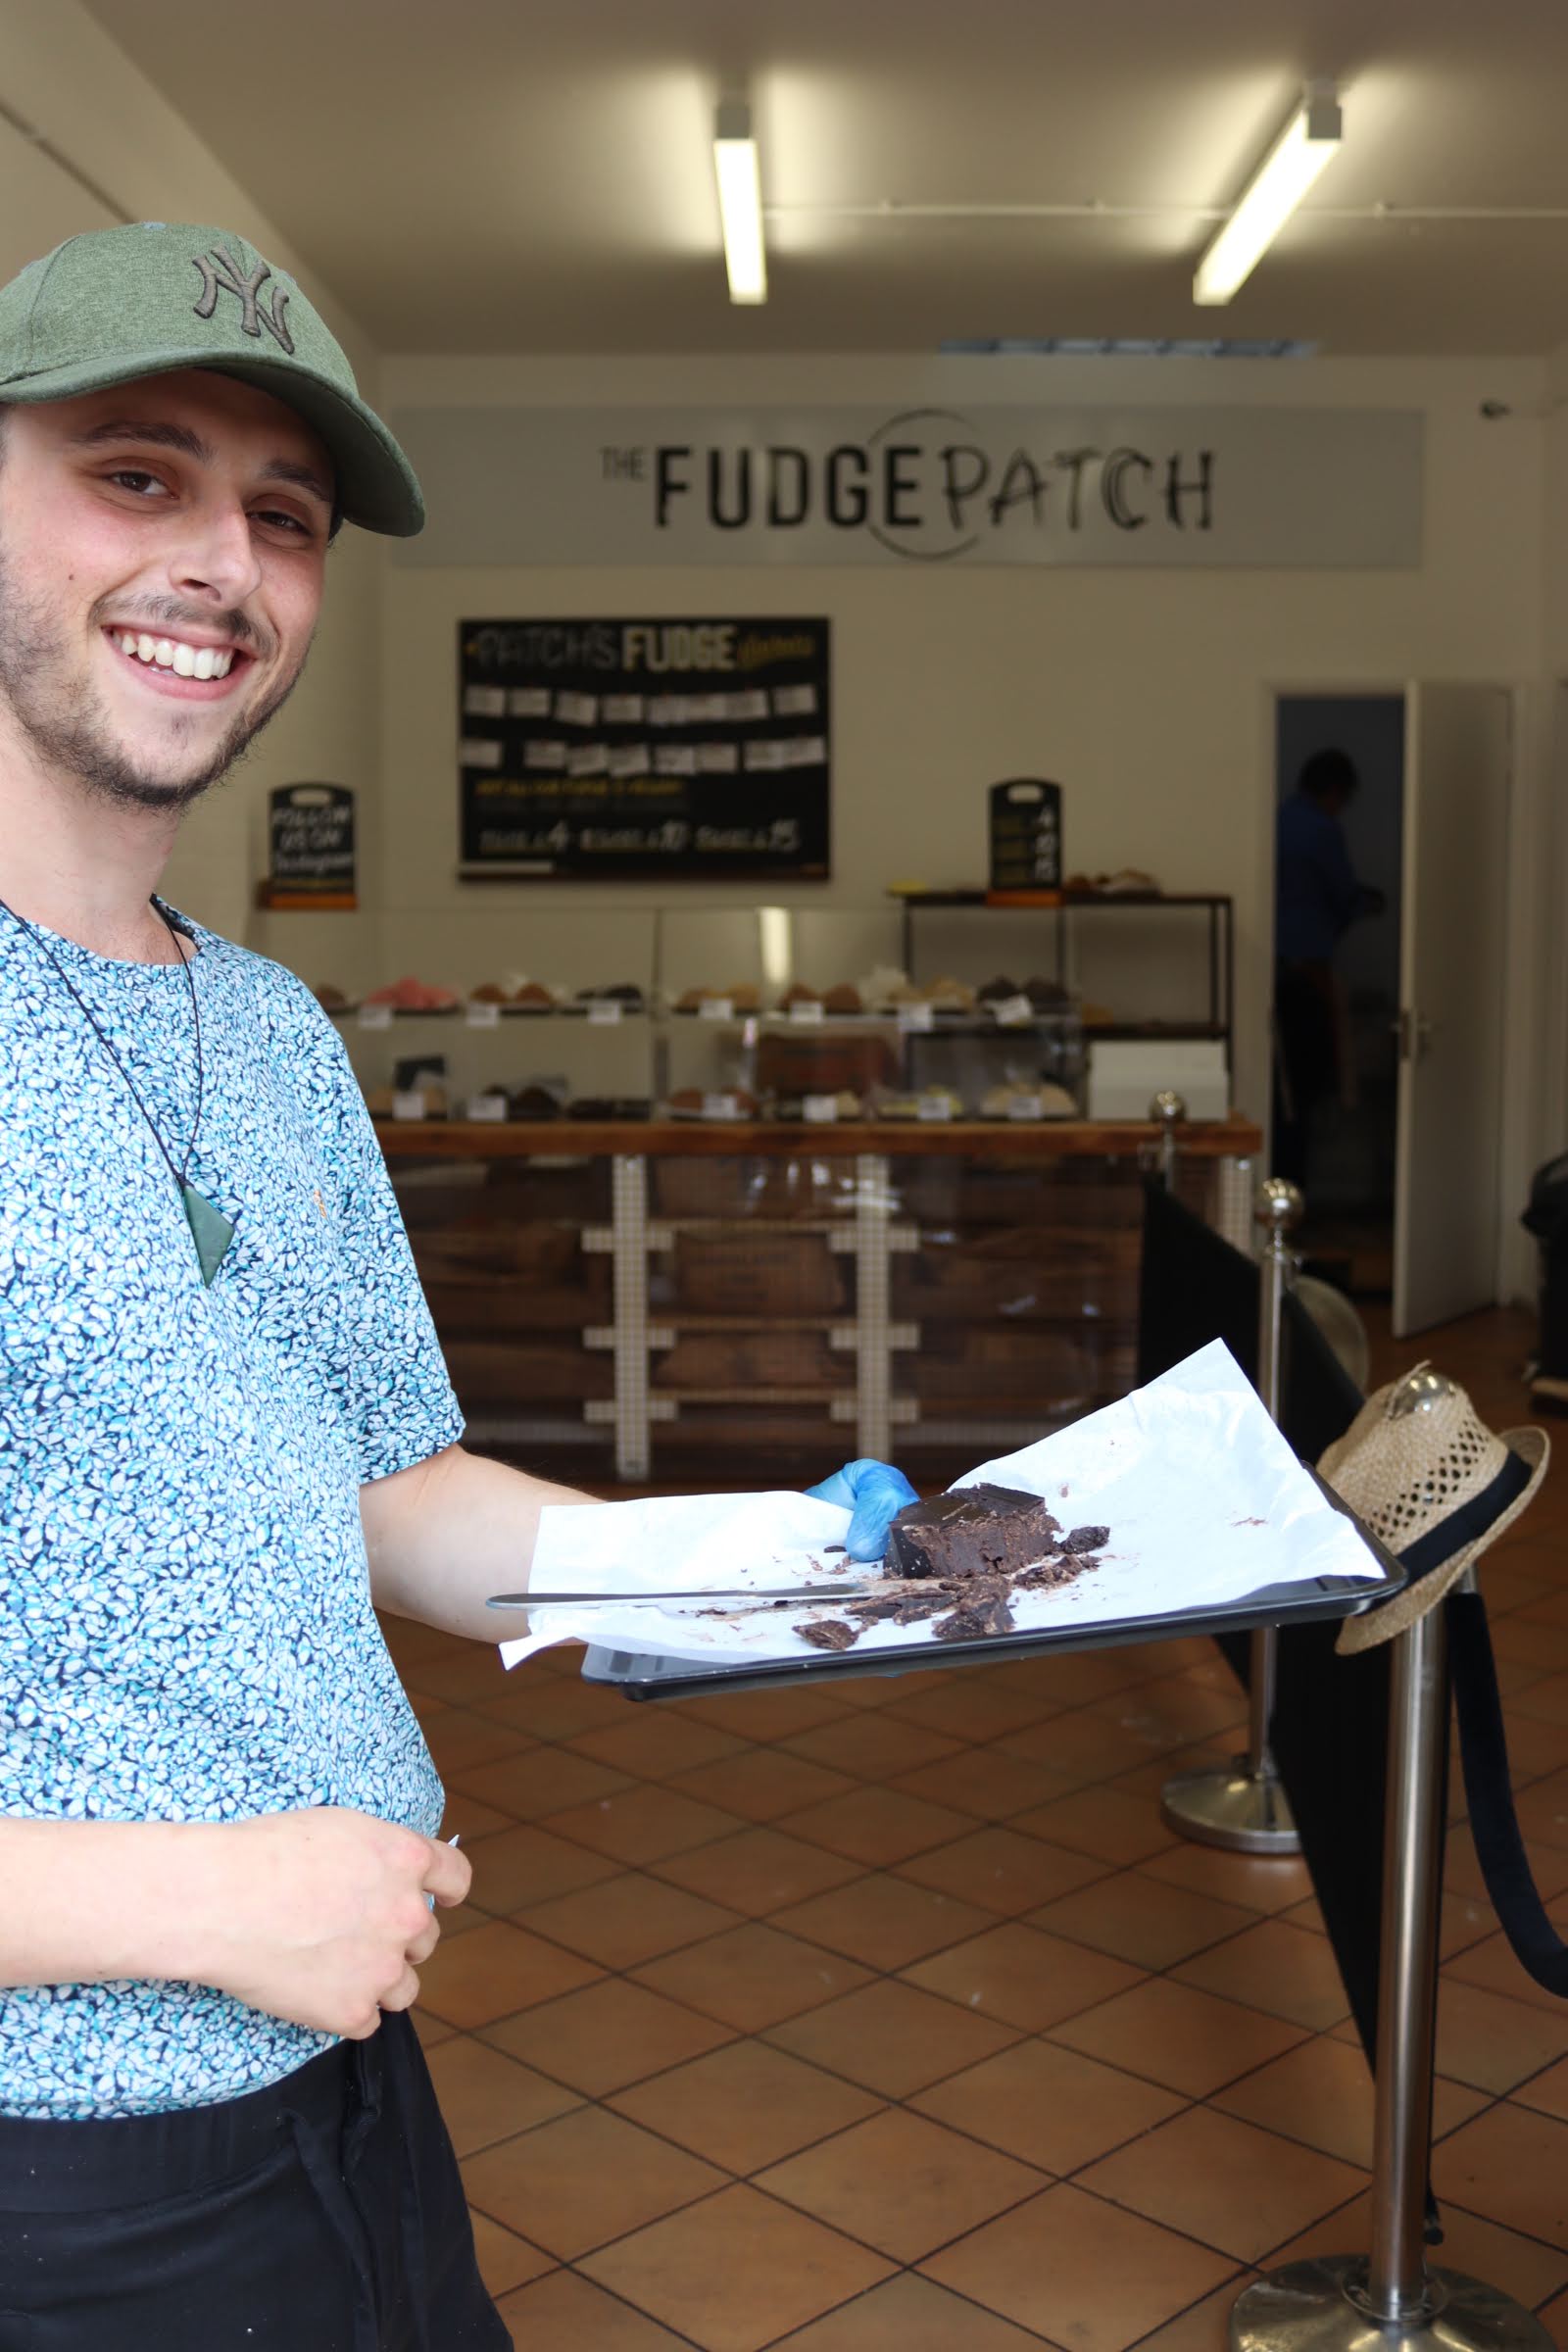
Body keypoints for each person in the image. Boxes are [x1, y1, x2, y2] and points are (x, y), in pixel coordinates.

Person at [0, 221, 916, 2349]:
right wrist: (196, 1897)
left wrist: (752, 1564)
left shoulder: (267, 1032)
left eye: (284, 515)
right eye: (136, 475)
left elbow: (386, 1492)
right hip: (54, 2189)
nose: (222, 563)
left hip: (341, 2102)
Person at [1272, 747, 1384, 1187]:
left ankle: (1279, 1186)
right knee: (1307, 1090)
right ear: (1335, 792)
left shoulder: (1278, 820)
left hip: (1274, 973)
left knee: (1282, 1092)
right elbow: (1344, 896)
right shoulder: (1321, 829)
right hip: (1306, 975)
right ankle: (1295, 1193)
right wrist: (1367, 902)